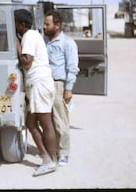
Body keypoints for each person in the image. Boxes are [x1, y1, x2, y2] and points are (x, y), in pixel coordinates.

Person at [14, 9, 57, 177]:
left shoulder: (29, 36)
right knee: (31, 124)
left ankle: (50, 161)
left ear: (22, 24)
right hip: (37, 84)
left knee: (45, 123)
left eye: (15, 23)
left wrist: (17, 45)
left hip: (39, 83)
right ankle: (47, 157)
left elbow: (27, 62)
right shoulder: (31, 35)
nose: (14, 26)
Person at [43, 10, 79, 166]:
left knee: (60, 120)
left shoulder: (68, 43)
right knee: (47, 121)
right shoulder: (44, 41)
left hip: (58, 85)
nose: (44, 27)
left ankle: (64, 152)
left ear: (57, 25)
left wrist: (68, 89)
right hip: (44, 84)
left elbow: (72, 68)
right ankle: (53, 149)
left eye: (47, 24)